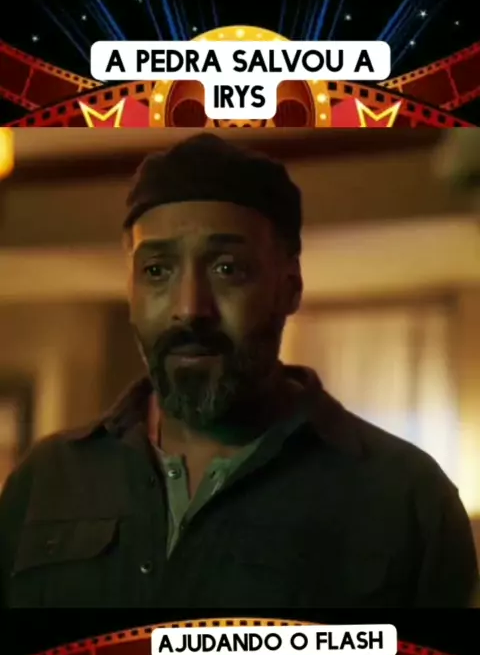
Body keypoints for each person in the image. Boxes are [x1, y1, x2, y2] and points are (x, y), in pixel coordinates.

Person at [0, 133, 477, 609]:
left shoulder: (406, 499)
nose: (190, 308)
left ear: (289, 287)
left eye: (227, 269)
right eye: (157, 271)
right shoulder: (47, 480)